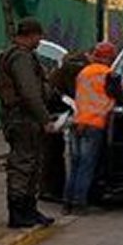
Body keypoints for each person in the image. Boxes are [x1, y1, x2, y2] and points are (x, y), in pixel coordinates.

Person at [0, 18, 57, 229]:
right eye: (38, 36)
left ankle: (29, 209)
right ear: (31, 35)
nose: (40, 40)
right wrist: (45, 119)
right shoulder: (21, 58)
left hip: (25, 118)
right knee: (23, 164)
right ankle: (18, 212)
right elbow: (30, 92)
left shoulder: (19, 56)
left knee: (33, 163)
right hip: (23, 118)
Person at [65, 41, 123, 215]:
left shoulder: (83, 73)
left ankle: (68, 203)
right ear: (110, 57)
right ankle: (80, 203)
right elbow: (121, 98)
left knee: (76, 164)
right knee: (87, 166)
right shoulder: (109, 75)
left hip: (77, 122)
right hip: (94, 124)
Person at [41, 48, 91, 203]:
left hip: (53, 114)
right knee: (58, 153)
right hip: (58, 115)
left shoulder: (58, 74)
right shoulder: (76, 73)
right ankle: (54, 190)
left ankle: (50, 189)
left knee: (52, 153)